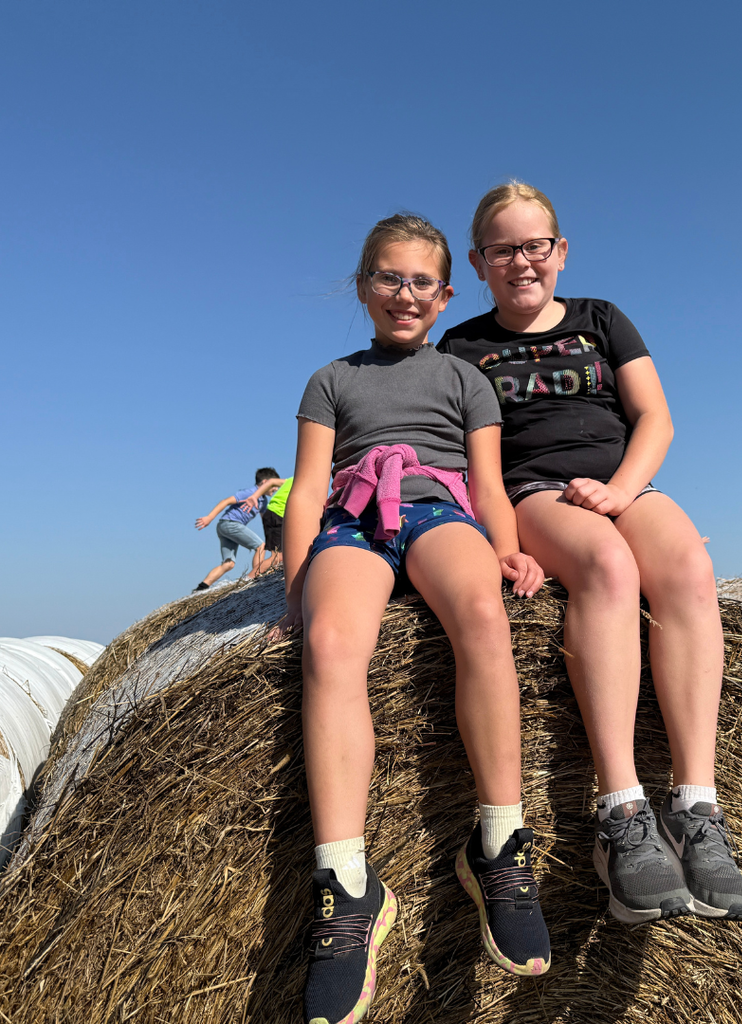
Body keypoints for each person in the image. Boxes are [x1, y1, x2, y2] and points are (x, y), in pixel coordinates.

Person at [438, 182, 742, 926]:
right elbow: (466, 463)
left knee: (686, 567)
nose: (522, 262)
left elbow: (655, 418)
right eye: (503, 250)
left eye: (535, 246)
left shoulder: (600, 321)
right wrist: (503, 545)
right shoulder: (463, 347)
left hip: (619, 482)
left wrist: (618, 491)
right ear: (480, 262)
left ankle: (698, 810)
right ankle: (620, 813)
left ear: (561, 251)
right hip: (535, 493)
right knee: (610, 568)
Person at [272, 214, 550, 1024]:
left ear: (445, 294)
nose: (404, 294)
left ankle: (498, 841)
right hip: (355, 523)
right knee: (329, 644)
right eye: (388, 278)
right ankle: (348, 884)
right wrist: (295, 589)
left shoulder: (466, 380)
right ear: (364, 287)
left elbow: (491, 484)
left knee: (482, 616)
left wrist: (508, 551)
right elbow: (309, 487)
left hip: (438, 513)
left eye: (420, 282)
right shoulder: (331, 379)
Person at [194, 469, 285, 590]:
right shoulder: (250, 493)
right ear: (265, 482)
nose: (276, 489)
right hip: (230, 523)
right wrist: (209, 517)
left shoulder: (263, 501)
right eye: (274, 486)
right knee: (260, 546)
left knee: (228, 564)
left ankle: (201, 588)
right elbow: (226, 501)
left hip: (225, 526)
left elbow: (266, 521)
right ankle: (256, 577)